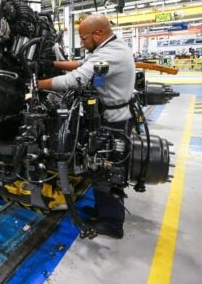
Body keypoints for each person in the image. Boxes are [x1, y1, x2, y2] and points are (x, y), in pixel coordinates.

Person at [37, 13, 135, 239]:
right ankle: (104, 212)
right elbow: (81, 64)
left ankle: (112, 224)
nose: (81, 43)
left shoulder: (112, 54)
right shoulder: (110, 48)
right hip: (111, 116)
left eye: (83, 38)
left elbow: (75, 79)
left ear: (98, 34)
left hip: (114, 121)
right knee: (100, 168)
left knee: (107, 169)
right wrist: (50, 63)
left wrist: (36, 83)